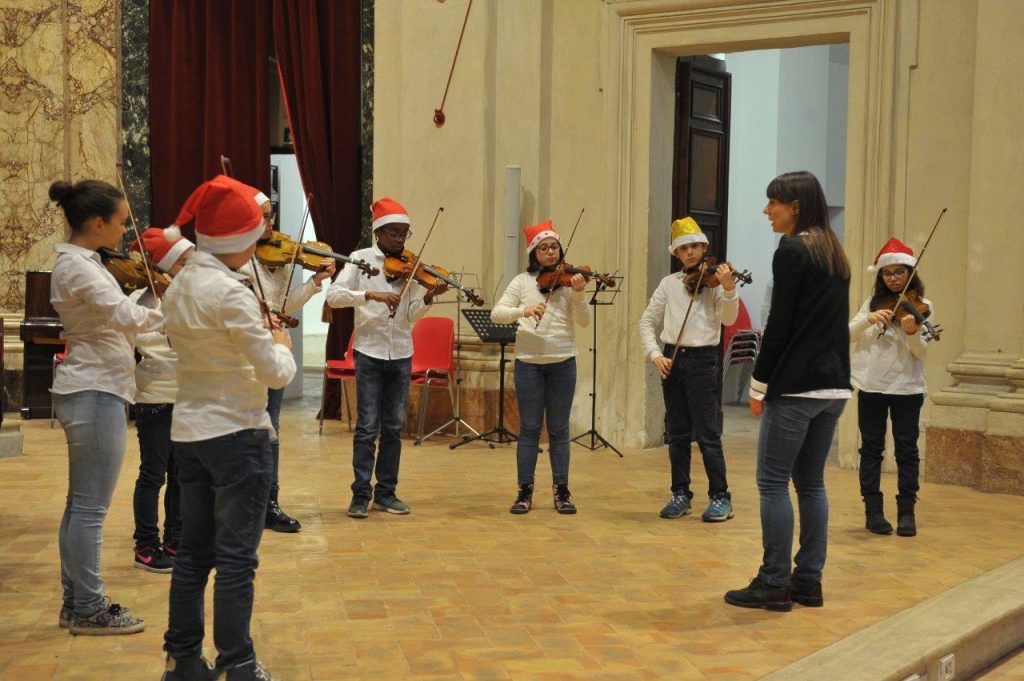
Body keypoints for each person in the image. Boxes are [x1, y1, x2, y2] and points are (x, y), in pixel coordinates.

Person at [161, 174, 296, 681]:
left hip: (190, 432)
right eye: (254, 239)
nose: (258, 248)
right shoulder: (231, 293)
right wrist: (280, 342)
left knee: (193, 555)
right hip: (238, 433)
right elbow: (275, 373)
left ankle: (182, 662)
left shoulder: (180, 285)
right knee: (237, 559)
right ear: (238, 241)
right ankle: (238, 662)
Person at [724, 170, 851, 612]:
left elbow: (779, 326)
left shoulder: (792, 249)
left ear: (794, 206)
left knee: (772, 483)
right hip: (834, 386)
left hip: (797, 386)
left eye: (773, 203)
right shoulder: (832, 249)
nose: (766, 210)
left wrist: (758, 384)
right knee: (811, 483)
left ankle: (774, 582)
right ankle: (808, 582)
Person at [49, 179, 162, 635]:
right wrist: (180, 309)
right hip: (94, 390)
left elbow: (123, 318)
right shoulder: (77, 268)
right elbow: (127, 317)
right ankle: (89, 608)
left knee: (81, 505)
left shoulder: (87, 263)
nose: (123, 231)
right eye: (119, 222)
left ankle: (76, 602)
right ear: (97, 223)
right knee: (90, 509)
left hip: (97, 386)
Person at [325, 198, 446, 519]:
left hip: (402, 353)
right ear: (378, 232)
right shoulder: (360, 259)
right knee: (367, 427)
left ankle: (386, 493)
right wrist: (370, 294)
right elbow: (334, 297)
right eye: (394, 233)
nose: (400, 240)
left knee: (393, 427)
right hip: (370, 352)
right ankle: (360, 494)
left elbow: (411, 315)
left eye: (405, 234)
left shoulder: (411, 266)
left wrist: (428, 296)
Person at [239, 192, 336, 533]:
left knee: (272, 428)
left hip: (275, 352)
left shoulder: (276, 260)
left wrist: (314, 282)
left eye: (271, 215)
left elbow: (284, 304)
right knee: (244, 430)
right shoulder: (238, 261)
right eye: (263, 216)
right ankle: (243, 502)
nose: (270, 223)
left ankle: (269, 503)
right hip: (245, 357)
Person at [638, 217, 738, 522]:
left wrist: (729, 289)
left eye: (695, 246)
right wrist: (655, 354)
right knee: (678, 433)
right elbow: (646, 322)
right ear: (677, 253)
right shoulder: (669, 284)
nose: (690, 252)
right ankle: (680, 493)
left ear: (704, 248)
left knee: (707, 434)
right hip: (673, 359)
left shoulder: (715, 282)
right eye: (684, 248)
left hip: (703, 360)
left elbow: (728, 319)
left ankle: (721, 496)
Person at [492, 220, 590, 514]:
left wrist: (579, 294)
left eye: (554, 247)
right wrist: (524, 310)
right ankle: (524, 490)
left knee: (559, 429)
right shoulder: (522, 282)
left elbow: (584, 322)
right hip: (529, 364)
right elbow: (497, 313)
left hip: (563, 362)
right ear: (534, 253)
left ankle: (562, 490)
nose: (550, 252)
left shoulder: (569, 282)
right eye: (543, 248)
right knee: (530, 428)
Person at [850, 238, 932, 537]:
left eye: (899, 272)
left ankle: (907, 513)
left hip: (907, 388)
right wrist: (868, 320)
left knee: (907, 451)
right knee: (871, 449)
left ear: (910, 273)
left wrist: (912, 333)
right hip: (871, 386)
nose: (893, 278)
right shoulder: (871, 304)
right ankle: (873, 511)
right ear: (880, 276)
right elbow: (846, 334)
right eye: (887, 273)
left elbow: (921, 352)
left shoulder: (923, 305)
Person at [129, 227, 194, 573]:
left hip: (186, 395)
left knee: (181, 474)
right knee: (153, 475)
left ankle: (176, 538)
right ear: (164, 265)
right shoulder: (142, 298)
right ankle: (145, 545)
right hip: (155, 395)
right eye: (183, 263)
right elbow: (137, 336)